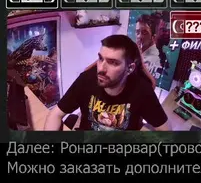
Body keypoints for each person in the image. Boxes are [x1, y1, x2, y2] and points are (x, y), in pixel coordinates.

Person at [40, 34, 169, 131]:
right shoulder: (86, 80)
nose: (101, 69)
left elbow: (165, 131)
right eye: (100, 58)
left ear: (129, 68)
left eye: (113, 62)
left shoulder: (142, 90)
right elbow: (56, 114)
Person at [134, 14, 166, 86]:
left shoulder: (155, 59)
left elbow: (149, 85)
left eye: (144, 32)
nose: (139, 36)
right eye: (137, 32)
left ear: (153, 37)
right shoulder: (137, 52)